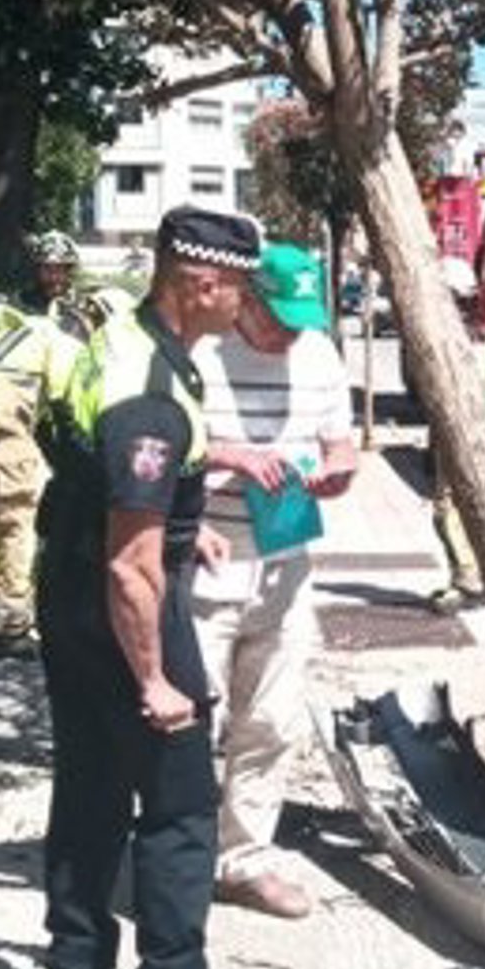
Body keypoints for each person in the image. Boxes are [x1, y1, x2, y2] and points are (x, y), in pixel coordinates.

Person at [35, 204, 282, 969]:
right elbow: (130, 565)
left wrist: (183, 529)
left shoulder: (124, 339)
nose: (245, 304)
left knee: (90, 788)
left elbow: (112, 486)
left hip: (66, 593)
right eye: (239, 288)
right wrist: (154, 679)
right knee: (179, 810)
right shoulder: (151, 392)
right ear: (202, 282)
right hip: (119, 607)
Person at [192, 242, 358, 920]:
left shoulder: (318, 354)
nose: (291, 335)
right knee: (191, 722)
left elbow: (340, 444)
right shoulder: (201, 353)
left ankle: (244, 862)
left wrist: (340, 471)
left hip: (285, 559)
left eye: (301, 320)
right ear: (247, 300)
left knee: (271, 720)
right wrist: (231, 455)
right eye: (280, 319)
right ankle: (177, 857)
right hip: (206, 559)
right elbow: (159, 443)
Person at [0, 304, 83, 653]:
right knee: (18, 522)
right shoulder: (65, 344)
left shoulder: (30, 330)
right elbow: (63, 409)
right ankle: (10, 626)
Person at [427, 253, 485, 614]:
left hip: (461, 435)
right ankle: (467, 576)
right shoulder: (475, 335)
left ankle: (468, 580)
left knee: (447, 510)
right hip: (470, 436)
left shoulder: (458, 340)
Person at [17, 230, 97, 342]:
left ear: (69, 272)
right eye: (47, 269)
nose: (54, 277)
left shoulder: (84, 306)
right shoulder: (21, 304)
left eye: (59, 269)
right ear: (37, 271)